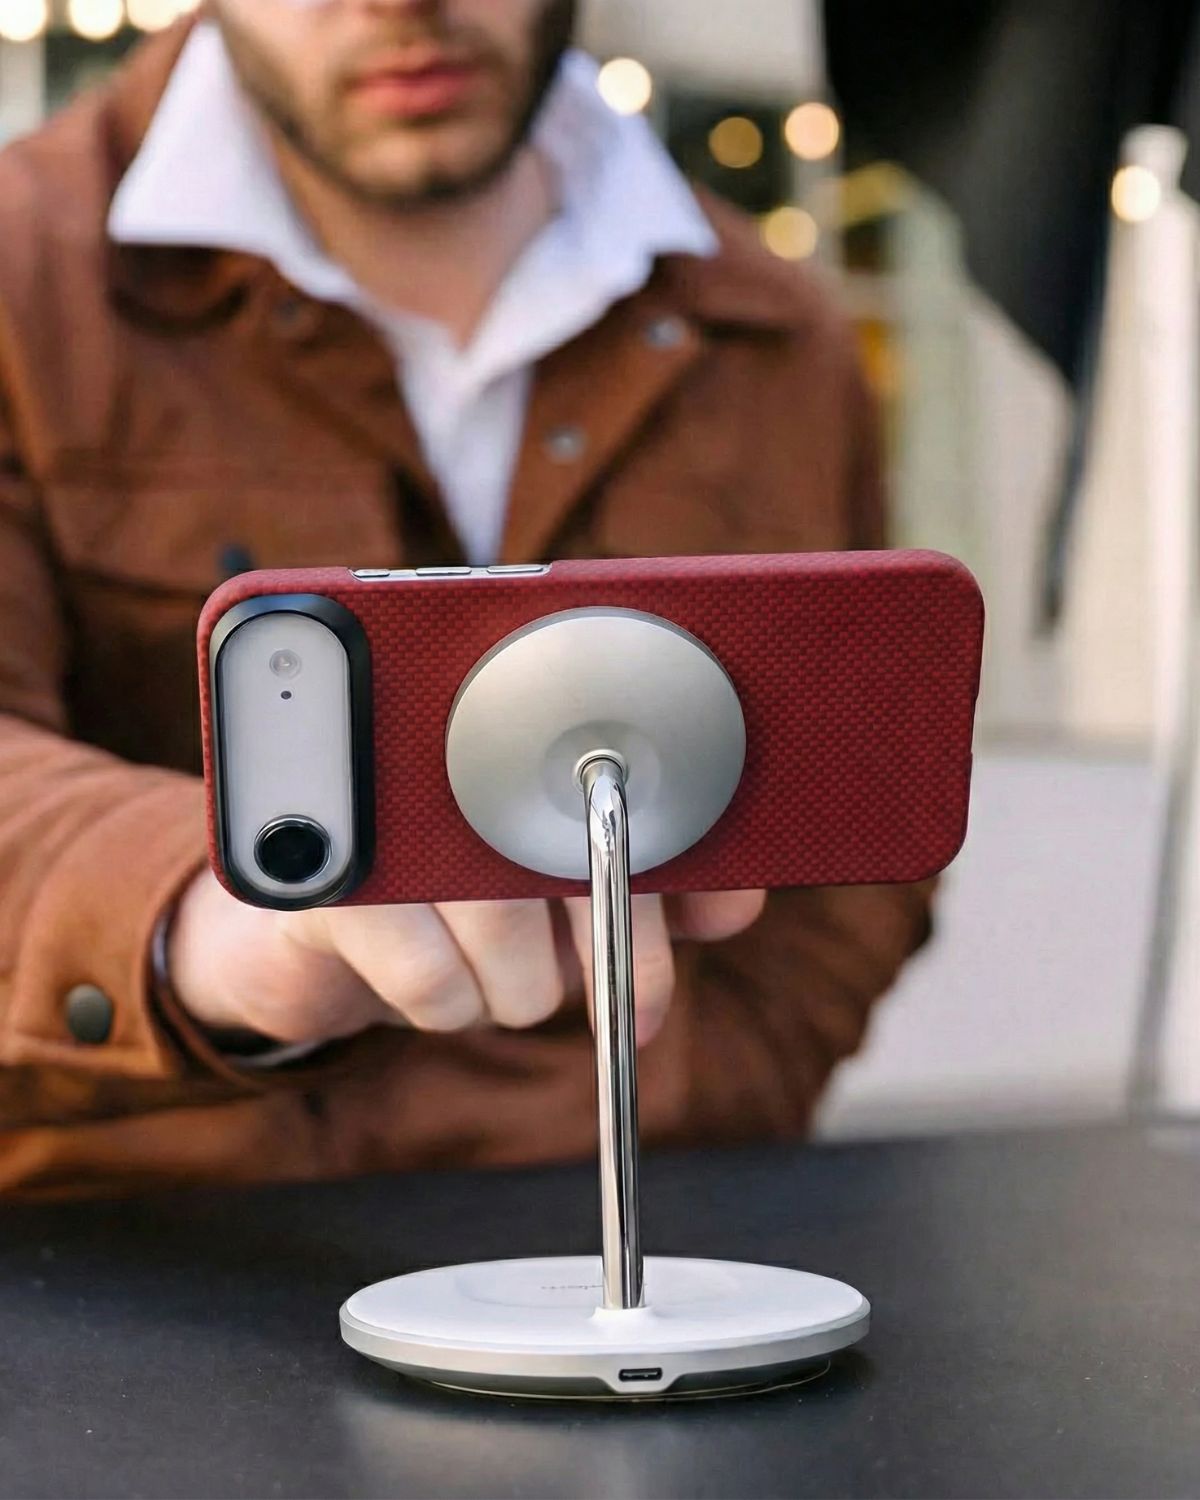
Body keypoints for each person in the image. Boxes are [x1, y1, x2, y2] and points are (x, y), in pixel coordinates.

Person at [0, 0, 933, 1199]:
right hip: (157, 1259)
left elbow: (863, 786)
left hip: (667, 1239)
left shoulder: (771, 332)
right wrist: (210, 917)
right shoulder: (26, 285)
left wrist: (717, 1075)